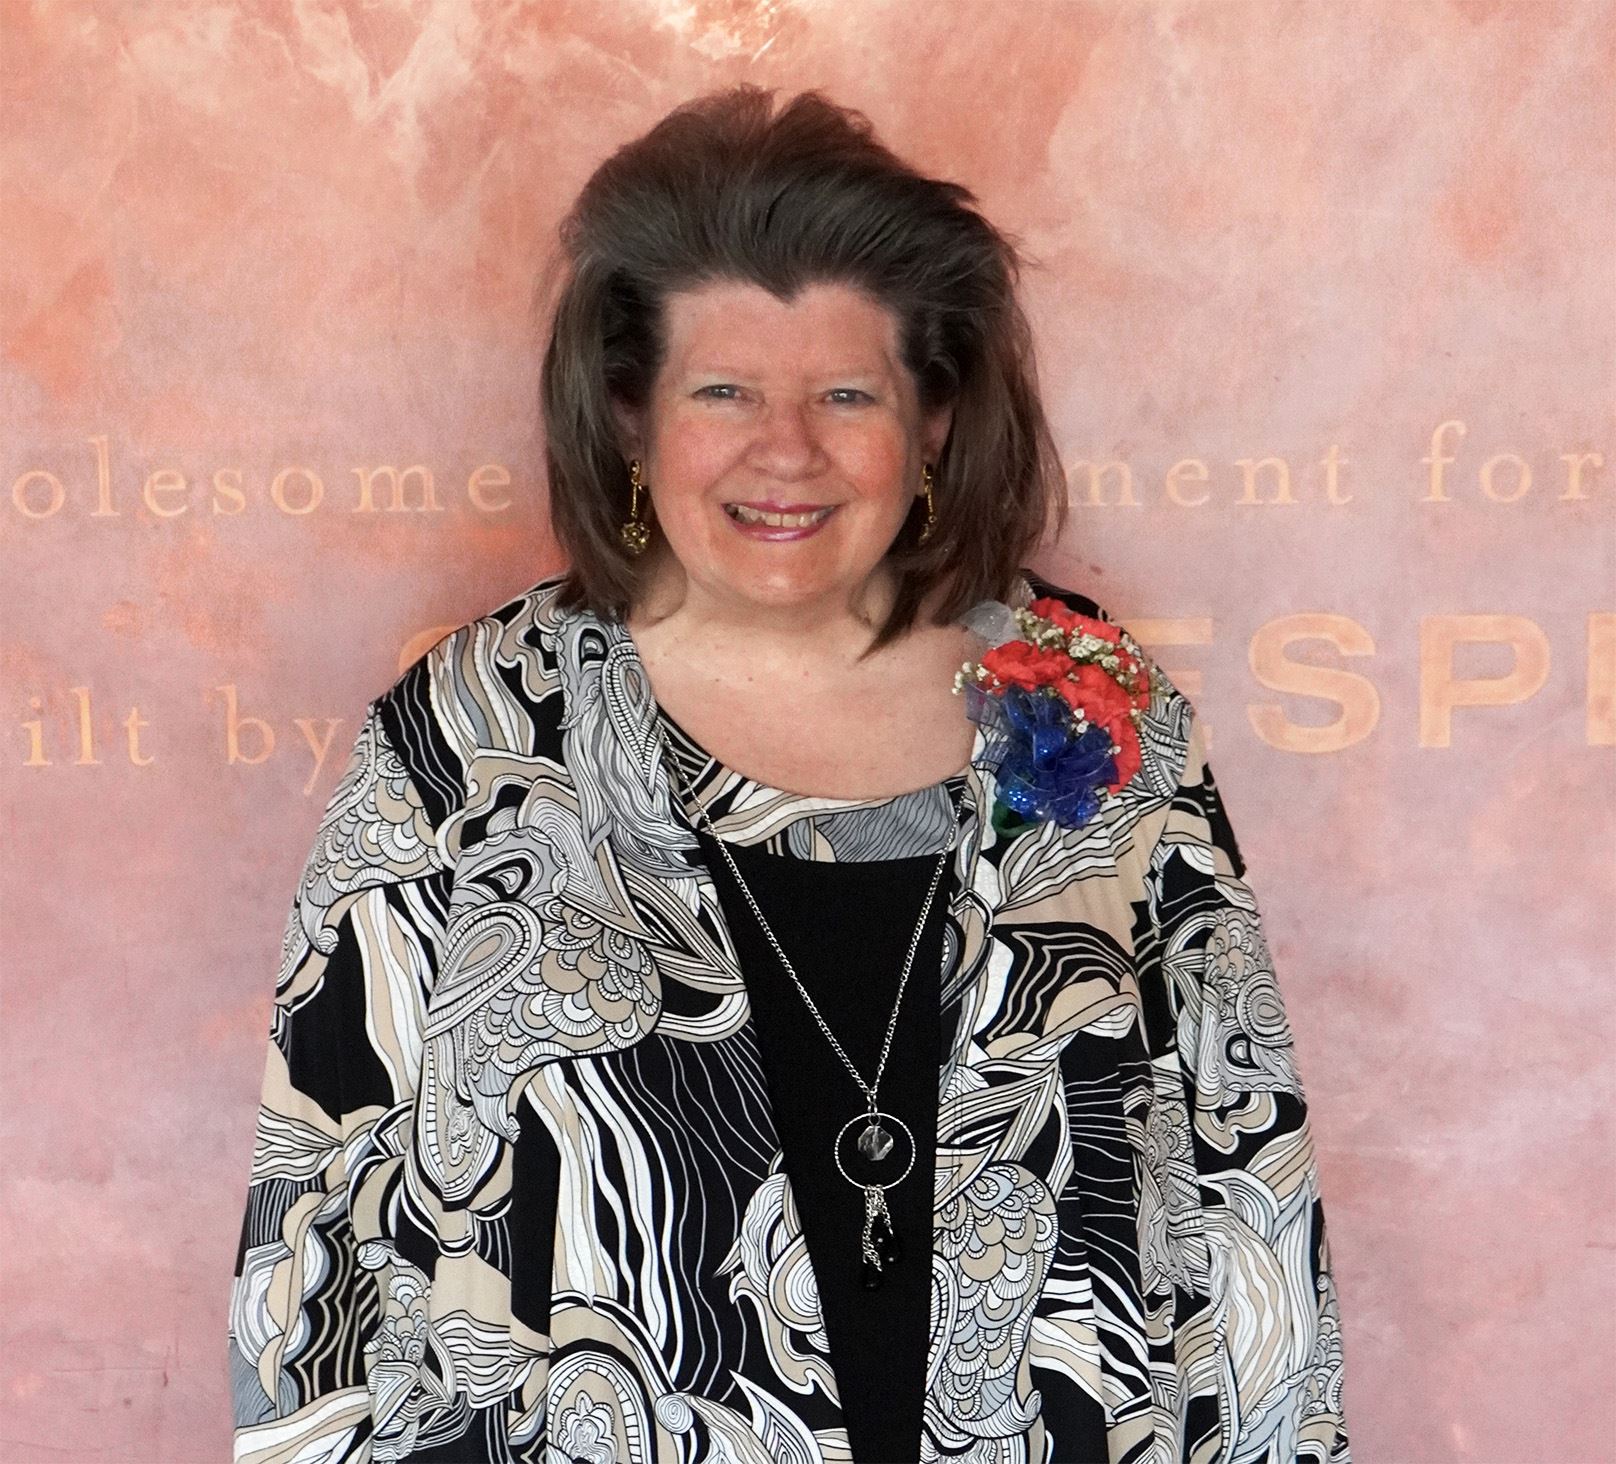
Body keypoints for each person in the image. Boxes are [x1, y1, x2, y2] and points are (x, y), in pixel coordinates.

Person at [228, 85, 1350, 1463]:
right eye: (724, 392)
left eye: (844, 394)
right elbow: (322, 1232)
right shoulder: (464, 738)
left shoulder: (1096, 707)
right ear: (634, 417)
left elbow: (1247, 1187)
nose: (787, 452)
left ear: (932, 422)